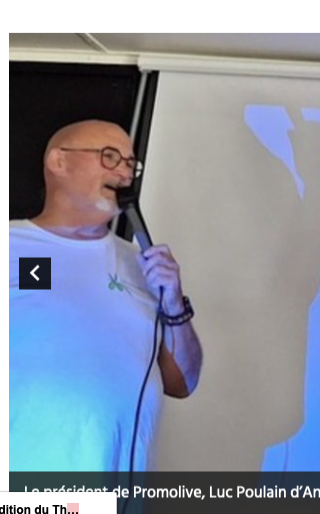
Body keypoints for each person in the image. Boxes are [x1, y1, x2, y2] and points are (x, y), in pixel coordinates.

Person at [9, 119, 203, 471]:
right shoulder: (14, 246)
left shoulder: (141, 263)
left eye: (131, 164)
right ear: (58, 161)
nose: (125, 173)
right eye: (110, 157)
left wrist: (174, 303)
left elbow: (182, 383)